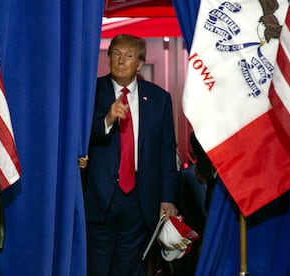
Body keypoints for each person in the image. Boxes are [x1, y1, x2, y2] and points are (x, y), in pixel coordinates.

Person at [83, 34, 178, 276]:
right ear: (108, 58)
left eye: (129, 56)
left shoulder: (159, 99)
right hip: (100, 197)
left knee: (130, 269)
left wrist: (168, 198)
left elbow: (167, 152)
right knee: (98, 268)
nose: (121, 60)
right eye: (116, 54)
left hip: (140, 199)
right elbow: (78, 139)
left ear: (140, 64)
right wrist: (107, 119)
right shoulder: (90, 93)